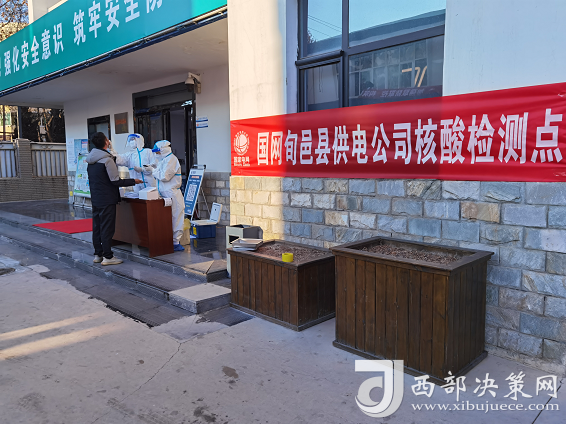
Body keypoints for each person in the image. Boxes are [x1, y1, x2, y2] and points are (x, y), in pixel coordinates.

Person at [87, 132, 143, 265]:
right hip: (107, 199)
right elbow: (115, 180)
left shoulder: (91, 159)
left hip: (96, 198)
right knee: (107, 228)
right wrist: (133, 181)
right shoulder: (107, 160)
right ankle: (108, 256)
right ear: (106, 142)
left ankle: (98, 254)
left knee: (97, 227)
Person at [151, 140, 185, 252]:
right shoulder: (164, 160)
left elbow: (165, 176)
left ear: (163, 150)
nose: (157, 154)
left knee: (176, 216)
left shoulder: (172, 159)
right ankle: (167, 239)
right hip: (164, 193)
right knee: (167, 217)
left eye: (158, 151)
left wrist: (152, 170)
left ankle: (175, 242)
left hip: (172, 193)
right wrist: (153, 167)